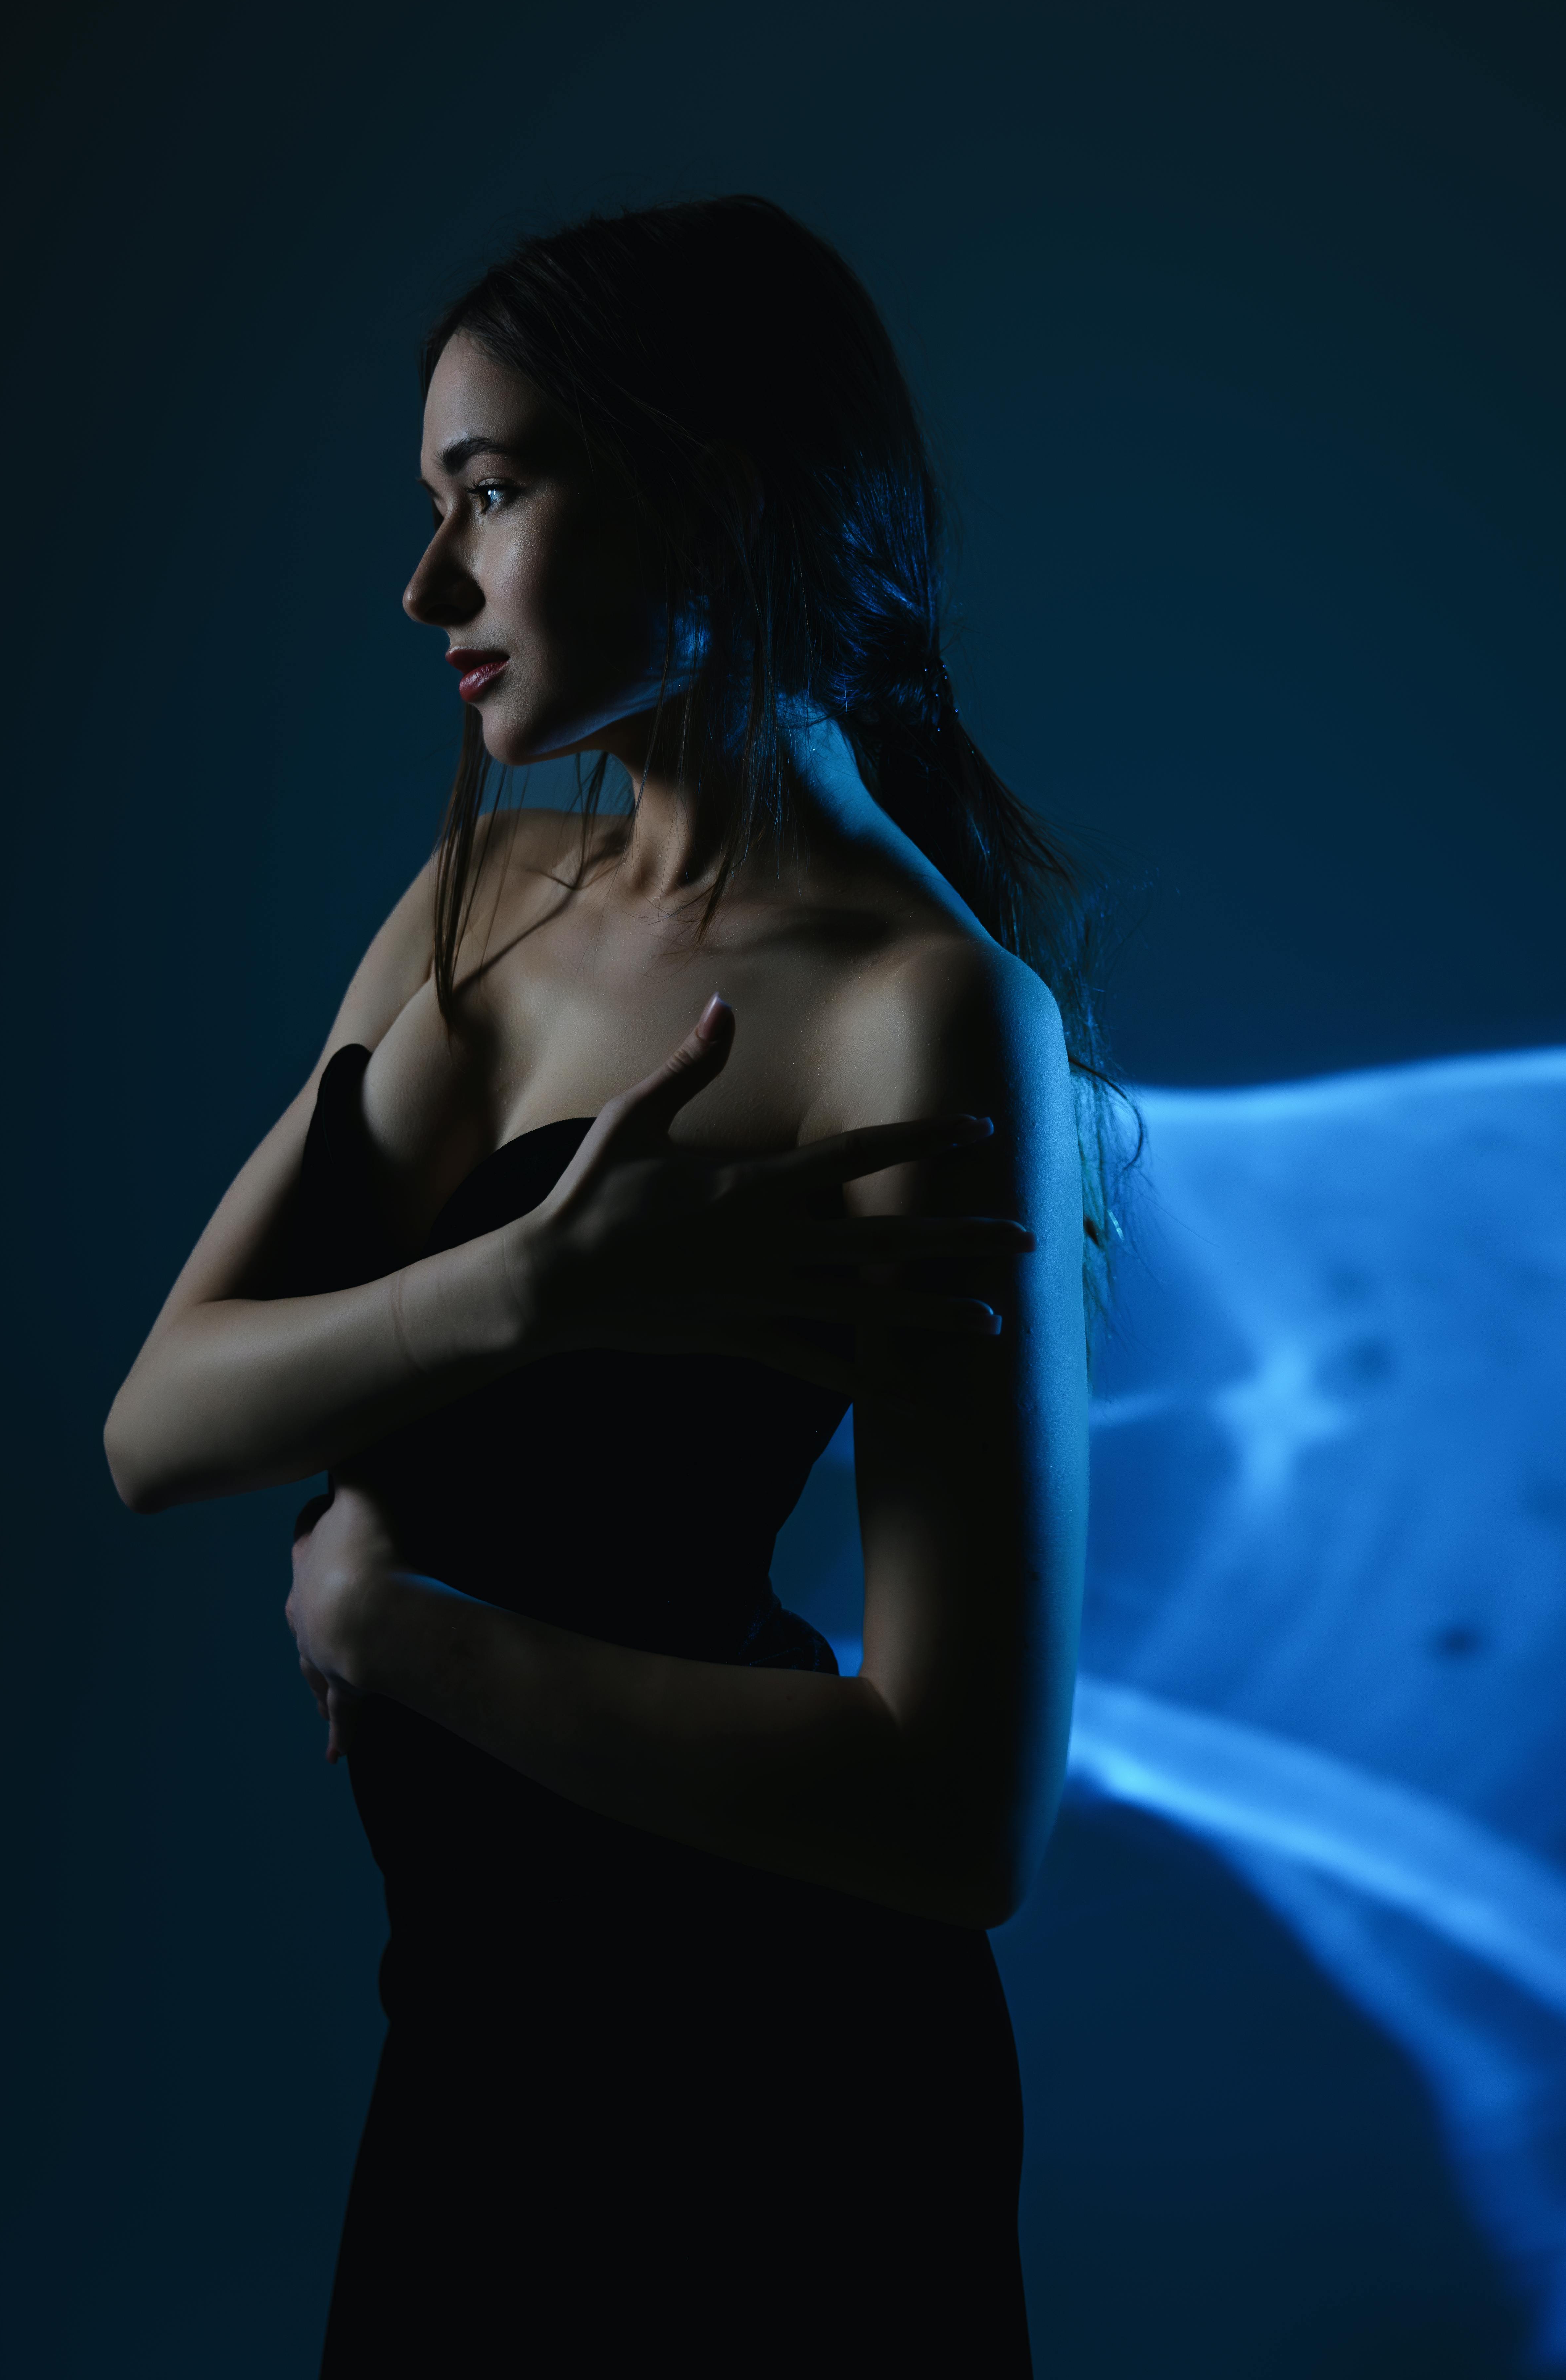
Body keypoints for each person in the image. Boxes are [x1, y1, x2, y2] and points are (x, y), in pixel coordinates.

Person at [104, 197, 1116, 2372]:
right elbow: (155, 1427)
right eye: (427, 507)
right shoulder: (484, 891)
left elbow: (959, 1817)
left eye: (492, 495)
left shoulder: (923, 1013)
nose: (426, 586)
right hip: (468, 2029)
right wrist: (528, 1296)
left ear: (715, 493)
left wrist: (401, 1640)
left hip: (772, 2102)